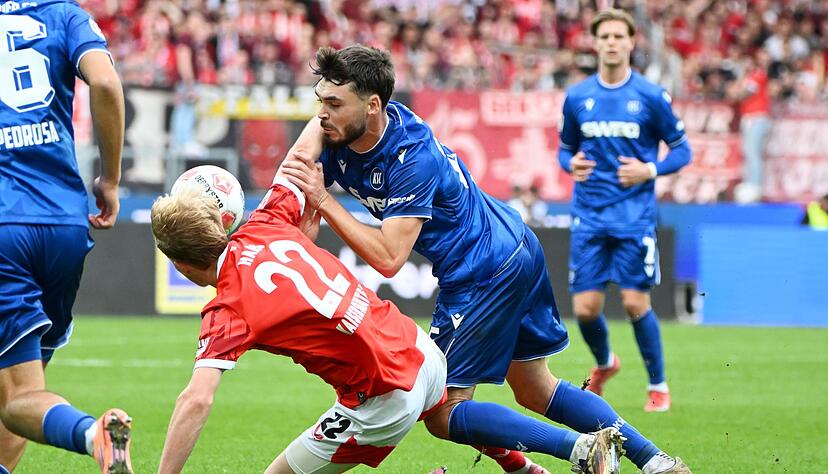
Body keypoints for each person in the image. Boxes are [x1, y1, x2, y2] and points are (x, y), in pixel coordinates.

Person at [280, 44, 691, 474]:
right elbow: (300, 158)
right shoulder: (347, 128)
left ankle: (581, 450)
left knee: (442, 409)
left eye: (333, 104)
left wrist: (323, 200)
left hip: (481, 269)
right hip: (514, 243)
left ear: (373, 106)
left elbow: (389, 257)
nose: (321, 115)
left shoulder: (410, 157)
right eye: (320, 101)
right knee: (536, 389)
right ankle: (655, 462)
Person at [150, 172, 622, 474]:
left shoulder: (227, 308)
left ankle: (566, 455)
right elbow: (300, 160)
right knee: (446, 417)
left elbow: (197, 399)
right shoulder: (265, 223)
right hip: (419, 350)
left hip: (383, 399)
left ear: (181, 264)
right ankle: (563, 453)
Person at [0, 1, 130, 473]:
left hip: (4, 223)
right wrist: (110, 179)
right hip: (64, 223)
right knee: (22, 386)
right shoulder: (66, 15)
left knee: (19, 395)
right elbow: (106, 83)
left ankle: (94, 435)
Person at [557, 9, 693, 412]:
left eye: (619, 36)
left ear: (632, 42)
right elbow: (564, 150)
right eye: (605, 37)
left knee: (635, 304)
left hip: (634, 217)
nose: (612, 43)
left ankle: (658, 386)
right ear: (595, 43)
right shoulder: (578, 97)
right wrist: (570, 164)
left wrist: (649, 170)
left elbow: (682, 150)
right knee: (585, 310)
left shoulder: (650, 96)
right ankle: (605, 363)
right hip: (589, 216)